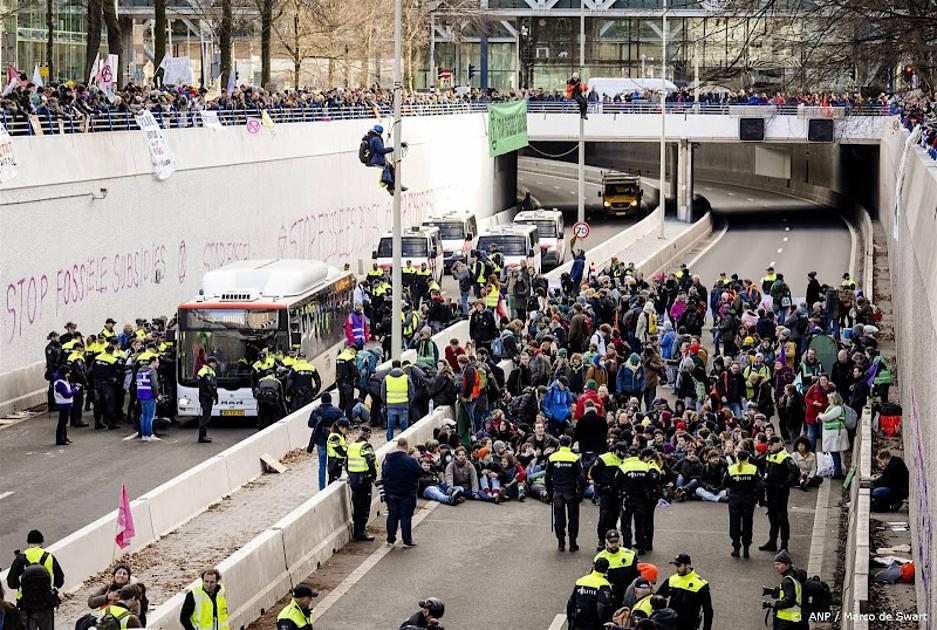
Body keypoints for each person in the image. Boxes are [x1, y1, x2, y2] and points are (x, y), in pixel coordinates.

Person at [5, 530, 64, 630]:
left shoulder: (20, 559)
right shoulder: (49, 557)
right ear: (41, 543)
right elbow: (60, 581)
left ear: (28, 543)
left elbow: (11, 583)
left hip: (25, 605)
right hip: (46, 605)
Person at [546, 434, 586, 552]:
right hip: (571, 492)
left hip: (558, 492)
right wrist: (581, 493)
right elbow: (581, 478)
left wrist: (549, 492)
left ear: (560, 444)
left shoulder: (552, 457)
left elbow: (547, 476)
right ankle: (573, 543)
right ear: (570, 444)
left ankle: (561, 543)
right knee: (573, 518)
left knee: (559, 518)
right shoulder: (574, 457)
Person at [382, 437, 423, 547]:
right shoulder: (410, 461)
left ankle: (390, 539)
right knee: (406, 517)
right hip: (407, 493)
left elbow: (383, 474)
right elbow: (420, 472)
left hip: (391, 493)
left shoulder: (387, 460)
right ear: (406, 446)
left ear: (397, 446)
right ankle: (407, 541)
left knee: (392, 516)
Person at [760, 436, 798, 553]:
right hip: (770, 490)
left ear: (778, 444)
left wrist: (785, 484)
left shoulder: (785, 457)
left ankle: (784, 544)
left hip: (780, 491)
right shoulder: (770, 455)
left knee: (782, 517)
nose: (769, 447)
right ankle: (772, 541)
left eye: (772, 445)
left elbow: (794, 472)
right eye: (769, 445)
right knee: (772, 516)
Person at [657, 554, 713, 630]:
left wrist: (706, 628)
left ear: (687, 566)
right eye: (676, 565)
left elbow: (708, 610)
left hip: (688, 625)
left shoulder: (700, 585)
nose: (677, 568)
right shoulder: (671, 580)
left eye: (679, 565)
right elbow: (658, 597)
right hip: (671, 623)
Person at [723, 449, 762, 558]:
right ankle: (746, 548)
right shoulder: (753, 469)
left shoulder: (731, 469)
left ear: (737, 458)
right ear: (748, 458)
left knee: (734, 523)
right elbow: (760, 485)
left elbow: (724, 482)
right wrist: (759, 499)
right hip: (748, 499)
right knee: (747, 524)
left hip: (735, 499)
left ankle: (736, 548)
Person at [589, 441, 627, 549]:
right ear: (616, 450)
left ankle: (612, 541)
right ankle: (601, 539)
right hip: (606, 492)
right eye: (622, 452)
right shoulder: (604, 458)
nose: (624, 454)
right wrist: (602, 484)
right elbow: (594, 472)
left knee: (614, 517)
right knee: (604, 517)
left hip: (618, 493)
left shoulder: (625, 460)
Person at [614, 447, 650, 554]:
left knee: (626, 524)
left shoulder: (623, 467)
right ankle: (641, 547)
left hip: (627, 498)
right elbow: (649, 482)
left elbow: (616, 483)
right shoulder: (645, 466)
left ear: (628, 455)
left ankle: (627, 546)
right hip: (641, 499)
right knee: (640, 523)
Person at [306, 393, 344, 490]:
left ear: (321, 401)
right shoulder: (337, 411)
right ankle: (333, 484)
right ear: (330, 400)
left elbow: (310, 424)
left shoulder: (317, 411)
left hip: (321, 441)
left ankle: (322, 488)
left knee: (322, 465)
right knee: (334, 463)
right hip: (335, 442)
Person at [594, 529, 639, 611]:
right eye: (611, 542)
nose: (614, 544)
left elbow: (636, 576)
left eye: (616, 542)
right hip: (609, 595)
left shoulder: (630, 555)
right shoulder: (599, 558)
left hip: (626, 593)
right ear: (606, 541)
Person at [346, 425, 377, 541]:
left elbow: (346, 463)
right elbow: (371, 462)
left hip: (354, 480)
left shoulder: (352, 446)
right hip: (364, 481)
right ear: (368, 434)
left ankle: (357, 531)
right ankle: (361, 532)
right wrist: (373, 477)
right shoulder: (366, 446)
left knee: (357, 505)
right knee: (364, 507)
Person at [762, 550, 807, 630]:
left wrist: (774, 605)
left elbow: (789, 601)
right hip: (796, 617)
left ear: (787, 565)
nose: (776, 567)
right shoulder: (795, 577)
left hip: (786, 621)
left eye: (779, 564)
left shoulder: (787, 581)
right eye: (775, 565)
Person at [566, 557, 613, 630]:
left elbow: (570, 603)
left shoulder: (580, 581)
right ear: (606, 570)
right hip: (593, 624)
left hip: (578, 621)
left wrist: (570, 621)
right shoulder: (604, 584)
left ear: (594, 567)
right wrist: (604, 624)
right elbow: (602, 607)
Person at [365, 124, 406, 195]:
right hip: (377, 159)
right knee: (390, 170)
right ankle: (392, 187)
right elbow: (381, 150)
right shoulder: (376, 139)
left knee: (391, 169)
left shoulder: (371, 137)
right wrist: (392, 149)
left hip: (374, 159)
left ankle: (395, 186)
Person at [817, 392, 850, 478]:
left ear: (834, 399)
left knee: (835, 452)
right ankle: (837, 471)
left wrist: (820, 415)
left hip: (836, 433)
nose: (828, 400)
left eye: (830, 398)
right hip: (833, 432)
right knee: (834, 452)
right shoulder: (833, 407)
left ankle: (837, 472)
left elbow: (826, 417)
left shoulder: (837, 408)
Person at [383, 360, 414, 442]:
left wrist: (386, 403)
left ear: (392, 367)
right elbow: (412, 392)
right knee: (404, 428)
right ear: (400, 366)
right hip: (403, 406)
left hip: (391, 405)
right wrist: (409, 403)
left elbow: (383, 393)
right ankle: (404, 443)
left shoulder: (387, 378)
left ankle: (390, 443)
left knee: (390, 427)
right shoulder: (406, 377)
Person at [134, 356, 161, 442]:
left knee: (144, 415)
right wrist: (157, 396)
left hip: (141, 395)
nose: (158, 364)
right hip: (149, 395)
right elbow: (154, 385)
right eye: (157, 362)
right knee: (150, 416)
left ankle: (144, 435)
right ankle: (149, 434)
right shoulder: (152, 372)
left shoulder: (140, 371)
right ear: (153, 362)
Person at [51, 367, 79, 446]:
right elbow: (67, 394)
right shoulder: (60, 383)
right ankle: (60, 439)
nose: (69, 375)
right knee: (62, 423)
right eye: (68, 373)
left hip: (66, 404)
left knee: (64, 422)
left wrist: (73, 386)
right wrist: (76, 389)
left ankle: (64, 437)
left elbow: (68, 387)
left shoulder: (63, 381)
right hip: (63, 404)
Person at [196, 356, 219, 443]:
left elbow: (213, 386)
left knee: (207, 416)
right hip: (205, 397)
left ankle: (204, 435)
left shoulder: (209, 371)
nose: (216, 365)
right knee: (205, 417)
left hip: (207, 397)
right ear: (211, 363)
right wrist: (214, 394)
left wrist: (215, 395)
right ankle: (202, 436)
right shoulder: (205, 371)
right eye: (215, 363)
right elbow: (209, 386)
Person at [335, 344, 359, 419]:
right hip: (348, 383)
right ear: (354, 350)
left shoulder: (339, 357)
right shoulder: (350, 357)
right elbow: (355, 371)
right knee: (349, 402)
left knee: (341, 402)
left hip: (340, 383)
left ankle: (339, 418)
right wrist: (358, 378)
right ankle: (348, 420)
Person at [326, 419, 351, 484]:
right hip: (334, 464)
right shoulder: (334, 437)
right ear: (340, 427)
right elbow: (341, 452)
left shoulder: (340, 435)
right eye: (346, 429)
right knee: (333, 482)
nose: (348, 431)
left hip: (339, 462)